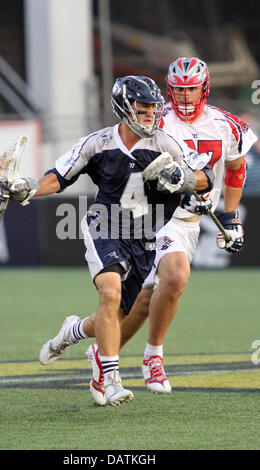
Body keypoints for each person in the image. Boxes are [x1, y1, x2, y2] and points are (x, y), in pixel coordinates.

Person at [0, 75, 213, 406]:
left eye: (154, 109)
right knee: (110, 291)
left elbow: (204, 176)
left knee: (115, 316)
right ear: (124, 108)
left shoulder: (166, 144)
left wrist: (183, 179)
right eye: (143, 109)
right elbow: (58, 178)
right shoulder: (98, 143)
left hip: (145, 237)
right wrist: (26, 188)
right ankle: (111, 378)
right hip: (106, 223)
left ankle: (73, 331)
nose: (151, 116)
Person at [82, 57, 258, 404]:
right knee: (176, 276)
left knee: (145, 300)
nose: (186, 96)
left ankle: (101, 352)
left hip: (192, 221)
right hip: (158, 216)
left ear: (204, 87)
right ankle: (153, 356)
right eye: (178, 89)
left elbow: (236, 168)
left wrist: (231, 216)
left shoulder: (227, 125)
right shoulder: (154, 118)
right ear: (169, 89)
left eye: (192, 88)